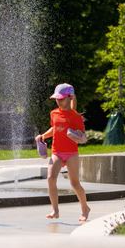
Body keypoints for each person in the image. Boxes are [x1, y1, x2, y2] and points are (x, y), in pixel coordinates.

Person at [35, 83, 90, 222]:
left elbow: (83, 137)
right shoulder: (54, 113)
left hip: (71, 153)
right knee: (50, 178)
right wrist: (43, 136)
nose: (58, 101)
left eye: (61, 98)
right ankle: (55, 210)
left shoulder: (76, 117)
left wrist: (78, 136)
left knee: (75, 184)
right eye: (57, 99)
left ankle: (85, 208)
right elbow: (54, 128)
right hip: (57, 151)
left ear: (70, 97)